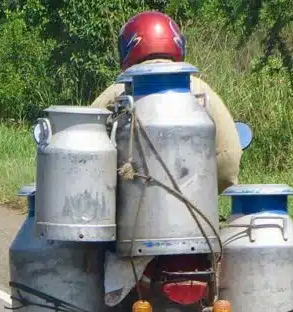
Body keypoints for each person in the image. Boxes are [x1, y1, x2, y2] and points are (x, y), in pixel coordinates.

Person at [90, 10, 242, 193]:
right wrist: (204, 195)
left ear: (128, 48)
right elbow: (229, 157)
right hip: (194, 210)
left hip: (128, 213)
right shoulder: (200, 90)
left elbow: (86, 147)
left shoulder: (116, 93)